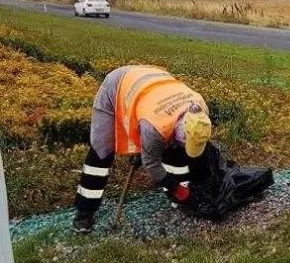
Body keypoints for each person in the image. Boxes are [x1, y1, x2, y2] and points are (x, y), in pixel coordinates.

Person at [72, 65, 212, 233]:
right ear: (176, 131)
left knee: (176, 153)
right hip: (117, 86)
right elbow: (151, 164)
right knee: (101, 152)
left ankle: (179, 201)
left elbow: (179, 146)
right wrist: (173, 185)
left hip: (155, 84)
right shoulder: (155, 127)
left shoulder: (201, 110)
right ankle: (84, 210)